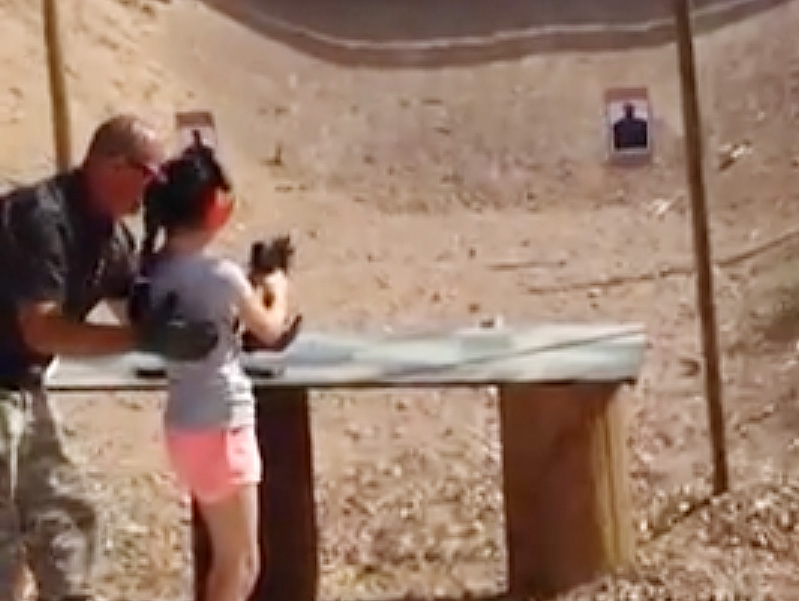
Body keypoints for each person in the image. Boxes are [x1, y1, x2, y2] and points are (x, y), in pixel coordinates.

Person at [0, 114, 219, 601]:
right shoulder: (40, 218)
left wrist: (192, 265)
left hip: (21, 387)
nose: (155, 189)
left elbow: (137, 307)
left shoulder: (109, 238)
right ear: (113, 165)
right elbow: (41, 329)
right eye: (152, 176)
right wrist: (146, 339)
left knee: (65, 516)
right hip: (8, 378)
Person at [142, 143, 300, 601]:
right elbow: (270, 330)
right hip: (222, 423)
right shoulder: (220, 276)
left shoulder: (154, 271)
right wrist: (276, 286)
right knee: (241, 564)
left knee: (227, 561)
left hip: (186, 425)